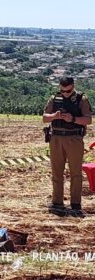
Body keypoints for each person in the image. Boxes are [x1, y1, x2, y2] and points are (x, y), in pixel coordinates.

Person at [43, 76, 92, 216]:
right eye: (63, 91)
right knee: (56, 172)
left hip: (73, 138)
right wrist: (54, 116)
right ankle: (57, 202)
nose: (65, 93)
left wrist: (73, 119)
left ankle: (75, 205)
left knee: (75, 173)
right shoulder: (54, 98)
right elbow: (44, 117)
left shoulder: (81, 99)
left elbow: (88, 120)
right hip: (56, 138)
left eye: (68, 91)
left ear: (73, 86)